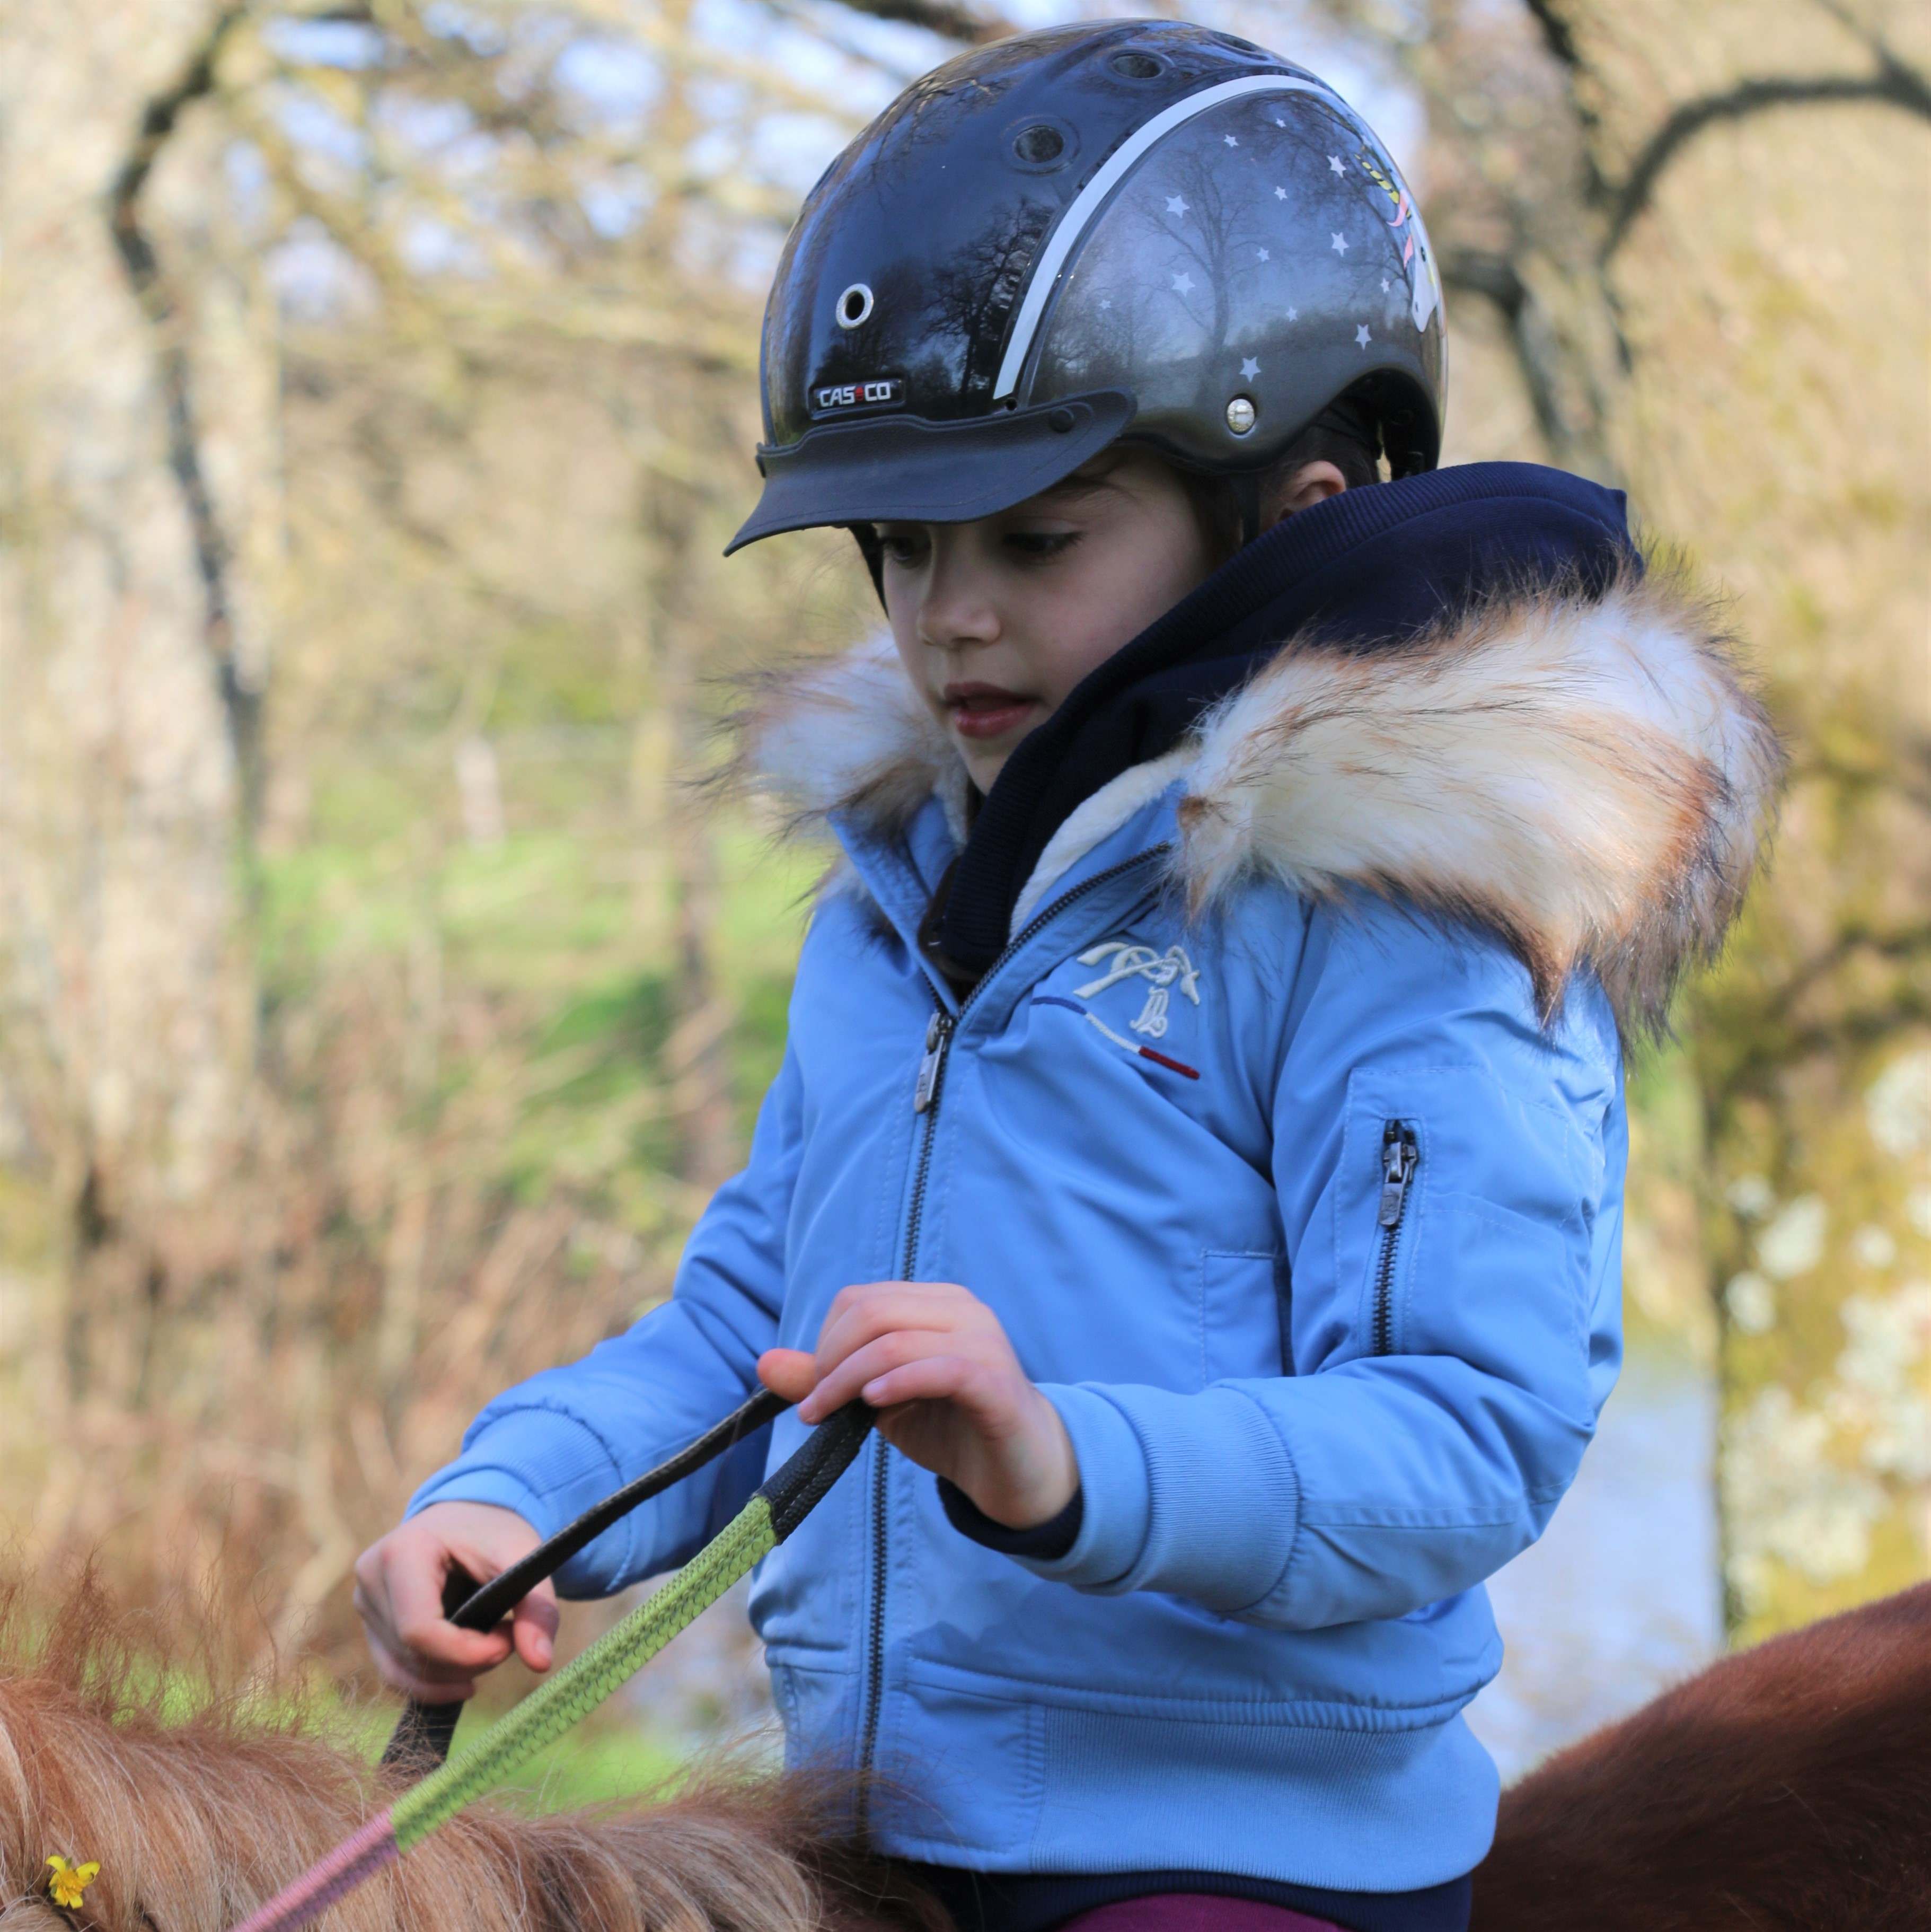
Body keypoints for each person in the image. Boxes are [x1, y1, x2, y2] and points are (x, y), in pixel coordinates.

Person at [354, 22, 1782, 1932]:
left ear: (1290, 516)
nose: (952, 613)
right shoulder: (902, 893)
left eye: (1036, 538)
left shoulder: (1409, 908)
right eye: (901, 547)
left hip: (1221, 1859)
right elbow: (745, 1334)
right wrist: (520, 1497)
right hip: (872, 1817)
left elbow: (1465, 1430)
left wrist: (1060, 1458)